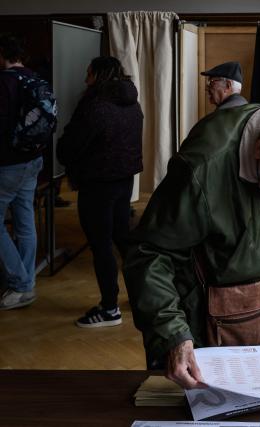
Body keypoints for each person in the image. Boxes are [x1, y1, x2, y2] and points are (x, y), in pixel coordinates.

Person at [123, 61, 260, 389]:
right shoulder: (202, 169)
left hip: (259, 315)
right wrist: (172, 335)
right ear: (259, 149)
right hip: (194, 316)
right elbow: (149, 253)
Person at [57, 56, 143, 328]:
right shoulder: (132, 103)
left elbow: (71, 145)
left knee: (101, 244)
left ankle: (109, 309)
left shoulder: (95, 106)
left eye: (88, 73)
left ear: (98, 75)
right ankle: (143, 298)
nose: (85, 79)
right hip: (123, 180)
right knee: (121, 238)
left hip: (97, 183)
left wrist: (66, 157)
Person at [0, 34, 44, 310]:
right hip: (34, 159)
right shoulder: (35, 79)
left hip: (8, 162)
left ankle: (20, 283)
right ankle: (25, 283)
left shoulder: (3, 82)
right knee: (25, 218)